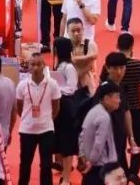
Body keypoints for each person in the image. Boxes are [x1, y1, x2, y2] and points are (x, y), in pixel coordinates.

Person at [16, 52, 61, 185]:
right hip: (27, 130)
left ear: (44, 66)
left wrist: (47, 119)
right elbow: (19, 108)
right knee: (25, 164)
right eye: (33, 64)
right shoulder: (22, 85)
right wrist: (28, 119)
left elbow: (56, 107)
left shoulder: (52, 84)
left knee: (46, 166)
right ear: (29, 66)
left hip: (46, 130)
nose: (35, 67)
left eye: (39, 64)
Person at [116, 33, 140, 184]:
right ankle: (134, 171)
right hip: (135, 108)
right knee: (139, 139)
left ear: (117, 46)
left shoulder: (112, 65)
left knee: (120, 141)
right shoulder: (139, 65)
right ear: (132, 46)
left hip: (117, 109)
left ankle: (124, 170)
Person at [79, 81, 122, 185]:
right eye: (117, 97)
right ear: (106, 98)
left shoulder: (94, 111)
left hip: (91, 165)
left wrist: (82, 155)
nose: (119, 101)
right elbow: (99, 144)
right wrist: (92, 162)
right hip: (99, 168)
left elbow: (81, 137)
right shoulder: (104, 117)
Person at [52, 37, 80, 184]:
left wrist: (56, 89)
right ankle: (64, 172)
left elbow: (71, 88)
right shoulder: (59, 66)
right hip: (58, 107)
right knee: (60, 142)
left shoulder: (69, 67)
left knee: (67, 143)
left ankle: (67, 179)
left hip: (67, 108)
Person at [67, 17, 100, 91]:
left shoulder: (90, 44)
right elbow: (70, 60)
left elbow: (90, 64)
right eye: (73, 31)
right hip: (69, 84)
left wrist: (77, 76)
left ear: (83, 30)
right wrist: (89, 57)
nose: (76, 34)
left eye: (78, 30)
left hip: (87, 83)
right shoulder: (65, 45)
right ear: (67, 31)